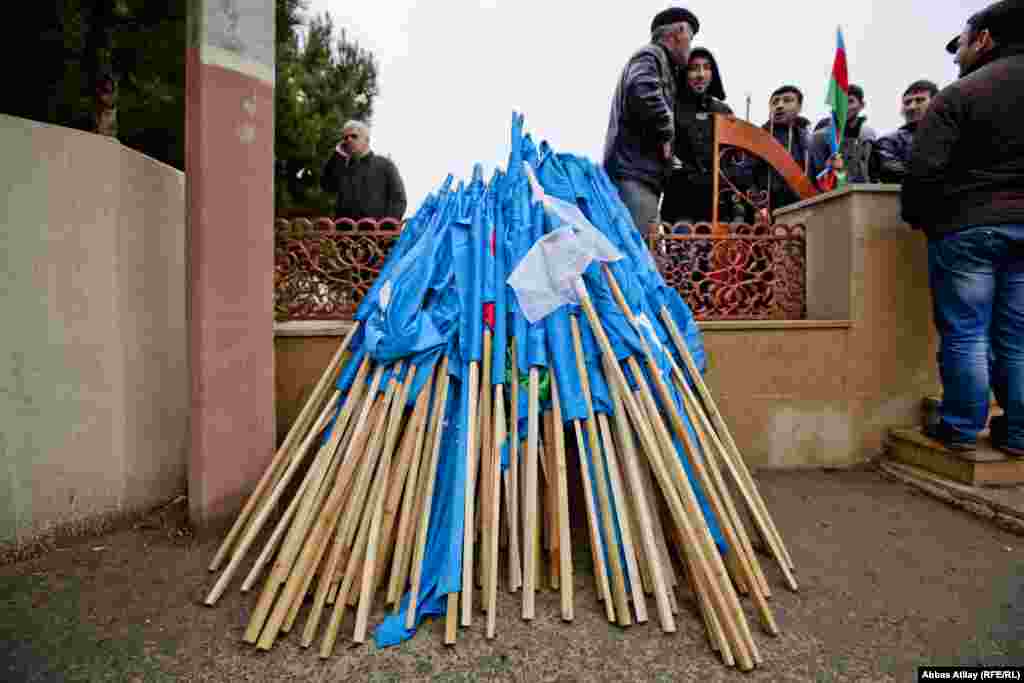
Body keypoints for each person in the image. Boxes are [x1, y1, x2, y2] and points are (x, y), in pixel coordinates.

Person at [901, 0, 1024, 456]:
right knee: (1017, 336)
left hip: (969, 228)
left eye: (964, 42)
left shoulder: (962, 94)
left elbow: (923, 174)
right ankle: (1017, 434)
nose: (957, 55)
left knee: (967, 330)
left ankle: (961, 428)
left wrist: (923, 219)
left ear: (985, 39)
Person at [603, 7, 698, 235]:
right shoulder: (651, 55)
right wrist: (667, 131)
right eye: (690, 38)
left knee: (644, 245)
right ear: (677, 33)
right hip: (633, 174)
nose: (690, 47)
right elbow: (642, 91)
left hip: (640, 174)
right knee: (638, 247)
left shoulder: (662, 63)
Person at [661, 46, 734, 225]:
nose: (701, 74)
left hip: (717, 205)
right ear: (684, 73)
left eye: (706, 67)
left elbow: (732, 156)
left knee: (714, 251)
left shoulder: (723, 111)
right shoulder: (670, 107)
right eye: (694, 68)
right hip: (679, 202)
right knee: (680, 250)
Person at [321, 120, 407, 224]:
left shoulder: (385, 165)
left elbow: (398, 200)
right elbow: (327, 186)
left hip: (378, 236)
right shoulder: (342, 167)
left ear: (366, 139)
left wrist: (385, 229)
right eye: (345, 138)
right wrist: (338, 154)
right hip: (345, 237)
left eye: (354, 136)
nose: (349, 140)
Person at [869, 80, 939, 184]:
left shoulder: (953, 135)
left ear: (936, 103)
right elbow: (891, 172)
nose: (911, 107)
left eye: (919, 100)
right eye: (907, 102)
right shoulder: (888, 141)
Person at [755, 85, 812, 212]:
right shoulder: (756, 137)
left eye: (787, 100)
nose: (779, 106)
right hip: (766, 210)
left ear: (799, 107)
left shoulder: (808, 140)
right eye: (775, 102)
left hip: (802, 208)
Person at [808, 84, 877, 186]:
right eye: (840, 103)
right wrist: (829, 168)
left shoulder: (868, 134)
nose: (844, 107)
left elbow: (871, 171)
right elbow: (813, 176)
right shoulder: (819, 137)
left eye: (850, 101)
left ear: (862, 105)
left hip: (862, 194)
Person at [74, 73, 118, 139]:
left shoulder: (114, 111)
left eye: (112, 91)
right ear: (98, 91)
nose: (110, 96)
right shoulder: (89, 111)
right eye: (106, 91)